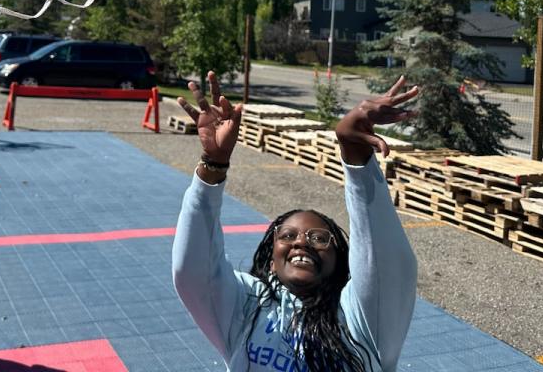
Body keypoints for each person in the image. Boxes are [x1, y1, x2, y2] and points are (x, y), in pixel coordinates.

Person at [173, 71, 419, 372]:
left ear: (340, 262)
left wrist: (356, 158)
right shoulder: (247, 308)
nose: (302, 241)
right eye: (287, 236)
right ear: (272, 262)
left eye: (319, 238)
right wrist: (213, 167)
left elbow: (388, 265)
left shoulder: (361, 318)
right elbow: (193, 271)